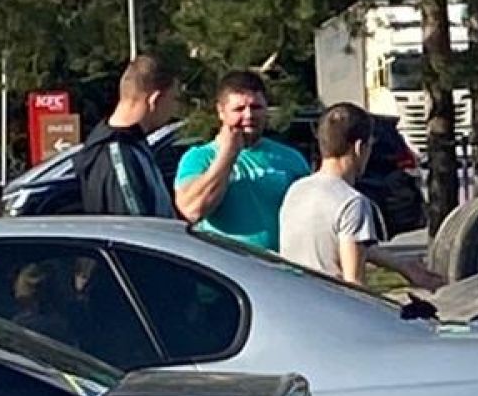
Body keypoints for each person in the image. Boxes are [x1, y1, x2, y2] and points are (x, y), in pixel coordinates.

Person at [279, 101, 437, 289]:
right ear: (359, 147)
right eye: (370, 145)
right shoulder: (351, 202)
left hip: (295, 301)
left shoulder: (296, 190)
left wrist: (404, 267)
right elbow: (354, 284)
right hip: (332, 308)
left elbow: (347, 244)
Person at [174, 69, 308, 253]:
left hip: (281, 270)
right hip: (227, 271)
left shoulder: (291, 158)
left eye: (256, 107)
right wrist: (228, 155)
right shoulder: (198, 158)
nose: (249, 116)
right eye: (239, 109)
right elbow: (192, 210)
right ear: (221, 111)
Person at [74, 52, 181, 217]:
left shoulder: (132, 145)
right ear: (155, 100)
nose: (174, 109)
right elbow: (137, 229)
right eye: (174, 99)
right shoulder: (117, 155)